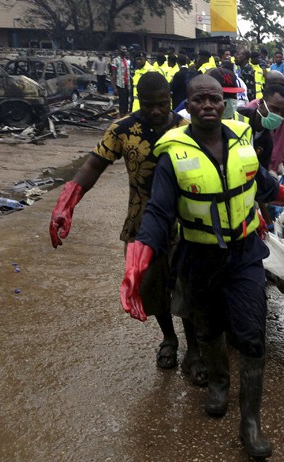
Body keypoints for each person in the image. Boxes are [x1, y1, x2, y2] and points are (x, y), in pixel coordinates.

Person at [119, 75, 284, 459]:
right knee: (207, 329)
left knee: (252, 334)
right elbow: (158, 209)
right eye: (199, 99)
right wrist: (140, 256)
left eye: (214, 98)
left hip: (244, 255)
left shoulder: (242, 139)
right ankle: (220, 382)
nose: (207, 105)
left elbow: (261, 183)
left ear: (224, 103)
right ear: (186, 106)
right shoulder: (173, 152)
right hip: (198, 255)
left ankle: (250, 421)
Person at [48, 73, 210, 383]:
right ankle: (168, 339)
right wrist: (68, 201)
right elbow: (94, 164)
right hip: (141, 219)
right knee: (151, 286)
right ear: (139, 101)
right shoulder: (122, 129)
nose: (157, 112)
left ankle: (194, 351)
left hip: (185, 219)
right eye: (149, 105)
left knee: (187, 286)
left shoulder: (186, 129)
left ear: (169, 100)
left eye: (162, 104)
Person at [245, 70, 284, 172]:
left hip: (277, 168)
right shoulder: (250, 108)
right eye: (274, 85)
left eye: (282, 86)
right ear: (265, 86)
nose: (278, 90)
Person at [237, 84, 284, 170]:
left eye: (283, 113)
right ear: (261, 103)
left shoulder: (268, 141)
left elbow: (261, 170)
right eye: (275, 109)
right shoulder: (238, 116)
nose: (279, 116)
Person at [112, 46, 131, 116]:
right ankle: (122, 115)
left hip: (126, 84)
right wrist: (114, 88)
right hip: (120, 84)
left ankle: (125, 114)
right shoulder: (116, 60)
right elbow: (114, 75)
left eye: (126, 49)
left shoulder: (126, 61)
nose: (125, 51)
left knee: (126, 101)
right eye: (123, 49)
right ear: (119, 51)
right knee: (122, 101)